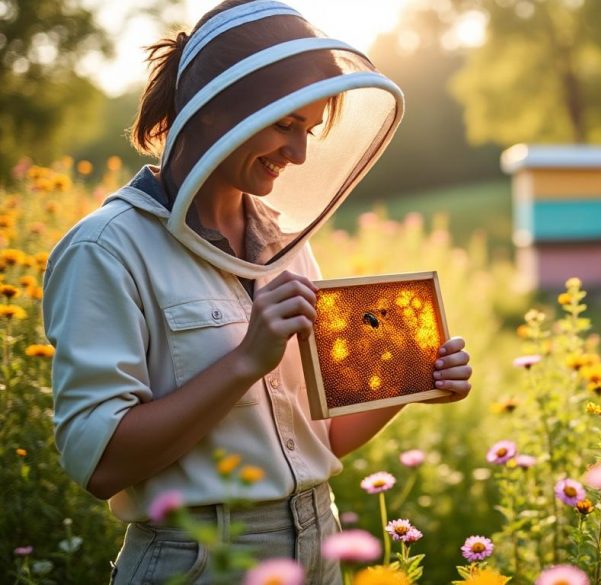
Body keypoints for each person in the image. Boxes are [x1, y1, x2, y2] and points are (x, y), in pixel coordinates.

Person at [42, 1, 472, 583]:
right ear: (221, 111)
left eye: (309, 130)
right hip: (199, 558)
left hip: (321, 537)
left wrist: (411, 381)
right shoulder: (106, 250)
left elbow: (319, 440)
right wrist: (247, 359)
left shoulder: (286, 244)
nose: (298, 155)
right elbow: (101, 464)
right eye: (285, 125)